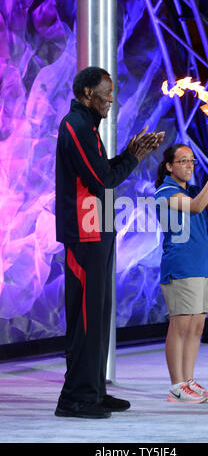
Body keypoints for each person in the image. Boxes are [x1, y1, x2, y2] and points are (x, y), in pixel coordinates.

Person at [55, 66, 165, 419]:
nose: (111, 100)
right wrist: (132, 157)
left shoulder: (89, 128)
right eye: (106, 92)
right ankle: (75, 398)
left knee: (99, 319)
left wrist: (131, 153)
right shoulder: (76, 126)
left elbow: (102, 174)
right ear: (88, 93)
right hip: (85, 235)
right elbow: (102, 180)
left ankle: (94, 391)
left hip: (97, 232)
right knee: (86, 320)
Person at [154, 143, 208, 404]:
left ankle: (188, 381)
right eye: (183, 161)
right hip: (181, 267)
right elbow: (197, 207)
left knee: (197, 326)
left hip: (202, 266)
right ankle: (176, 386)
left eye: (192, 161)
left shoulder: (196, 190)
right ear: (169, 166)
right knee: (181, 324)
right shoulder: (165, 191)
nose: (189, 166)